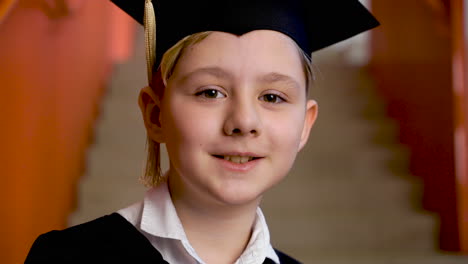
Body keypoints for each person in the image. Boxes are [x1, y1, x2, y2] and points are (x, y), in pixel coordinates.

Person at [25, 0, 379, 263]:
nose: (243, 121)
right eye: (210, 92)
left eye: (272, 96)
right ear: (155, 114)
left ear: (305, 125)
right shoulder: (69, 258)